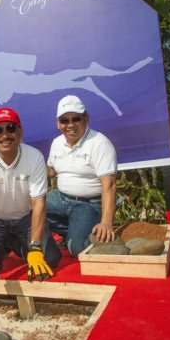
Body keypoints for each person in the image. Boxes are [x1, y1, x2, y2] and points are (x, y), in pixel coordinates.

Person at [0, 108, 61, 292]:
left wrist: (35, 247)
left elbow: (39, 204)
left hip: (25, 219)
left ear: (20, 131)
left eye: (10, 128)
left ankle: (16, 243)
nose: (4, 135)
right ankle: (3, 243)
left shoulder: (34, 157)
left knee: (50, 259)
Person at [45, 95, 118, 257]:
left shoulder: (100, 144)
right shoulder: (57, 143)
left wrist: (106, 222)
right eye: (64, 120)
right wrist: (24, 168)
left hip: (88, 204)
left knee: (78, 249)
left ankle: (94, 232)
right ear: (58, 124)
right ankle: (74, 231)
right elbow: (50, 171)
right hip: (61, 198)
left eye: (76, 118)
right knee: (26, 207)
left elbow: (110, 185)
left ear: (86, 119)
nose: (70, 125)